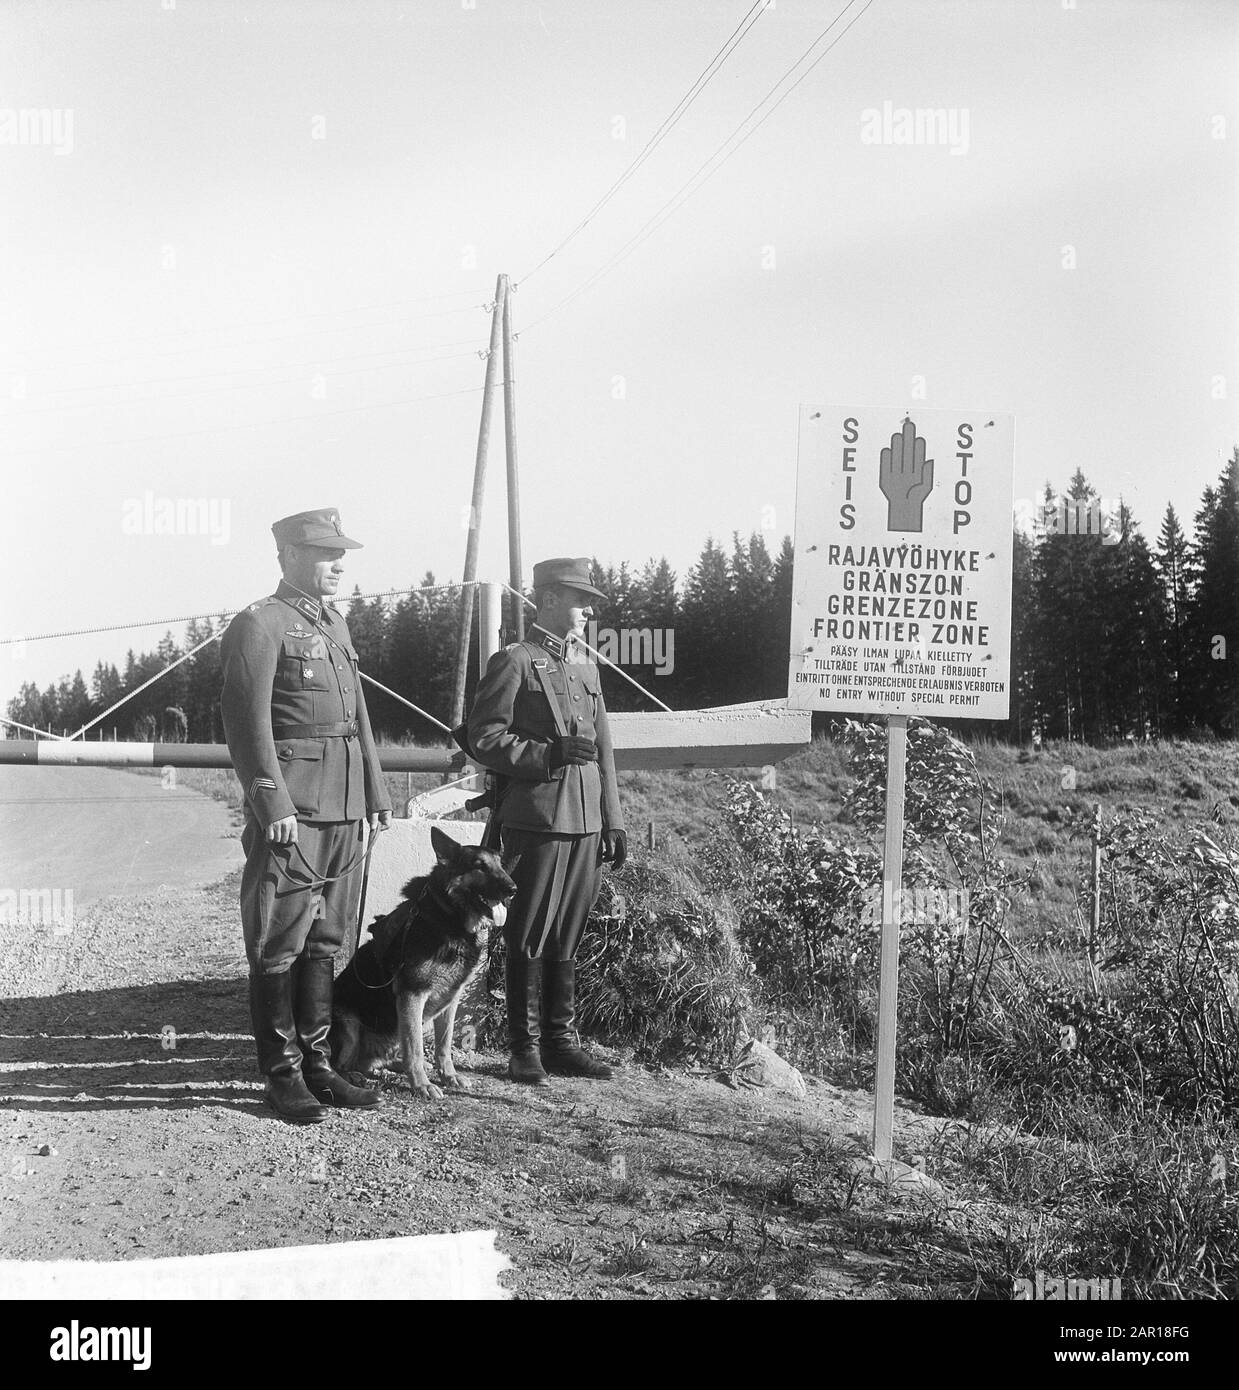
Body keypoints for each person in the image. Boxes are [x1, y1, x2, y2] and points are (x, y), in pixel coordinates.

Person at [220, 508, 392, 1122]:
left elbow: (357, 718)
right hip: (295, 810)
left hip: (345, 807)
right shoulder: (260, 623)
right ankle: (281, 1074)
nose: (338, 564)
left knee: (326, 940)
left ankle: (319, 1066)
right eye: (325, 552)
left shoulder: (335, 623)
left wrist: (375, 794)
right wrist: (271, 800)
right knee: (277, 942)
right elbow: (246, 723)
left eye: (341, 553)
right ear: (289, 555)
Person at [467, 557, 627, 1085]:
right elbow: (484, 738)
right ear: (550, 598)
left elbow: (604, 752)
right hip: (536, 819)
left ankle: (561, 1043)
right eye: (581, 601)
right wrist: (546, 755)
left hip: (585, 821)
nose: (588, 611)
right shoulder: (514, 661)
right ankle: (524, 1049)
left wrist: (613, 819)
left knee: (568, 934)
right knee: (529, 933)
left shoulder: (587, 667)